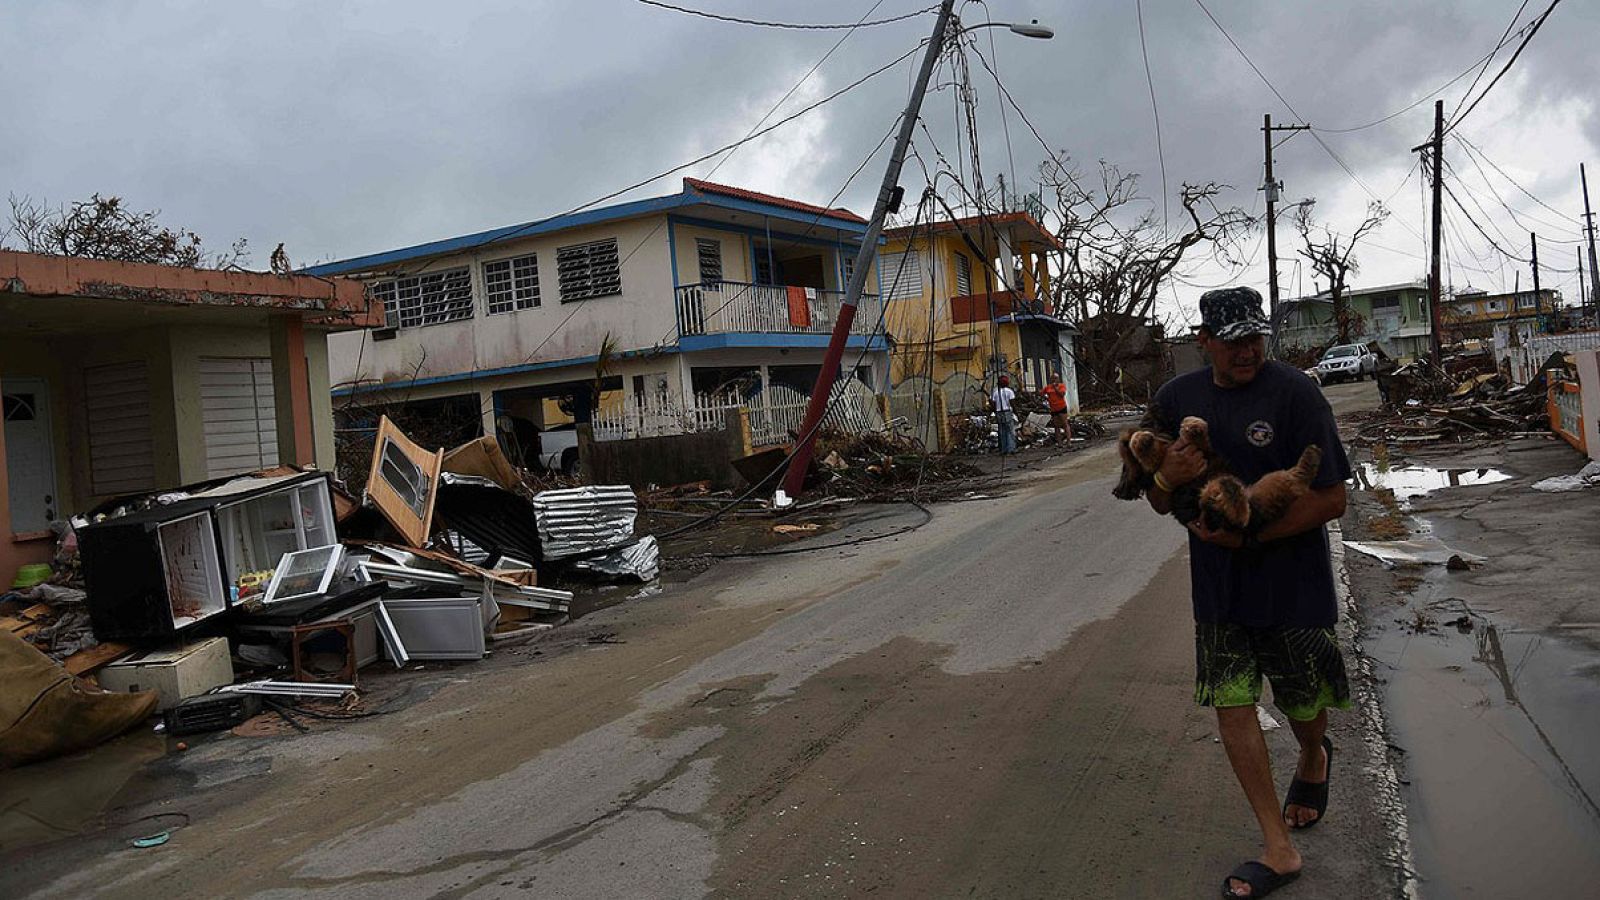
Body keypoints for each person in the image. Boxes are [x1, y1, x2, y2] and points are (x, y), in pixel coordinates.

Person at [1142, 286, 1353, 899]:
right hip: (1218, 590)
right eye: (1233, 341)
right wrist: (1165, 476)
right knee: (1232, 704)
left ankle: (1313, 755)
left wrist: (1250, 541)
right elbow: (1157, 499)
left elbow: (1332, 498)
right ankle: (1277, 848)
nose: (1247, 350)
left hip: (1293, 583)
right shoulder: (1175, 399)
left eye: (1256, 336)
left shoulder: (1296, 393)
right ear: (1203, 341)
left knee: (1302, 704)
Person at [1040, 371, 1070, 442]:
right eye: (1053, 378)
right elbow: (1041, 393)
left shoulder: (1061, 386)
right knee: (1056, 426)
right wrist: (1047, 398)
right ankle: (1059, 442)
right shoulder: (1048, 387)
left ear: (1058, 379)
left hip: (1061, 407)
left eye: (1056, 378)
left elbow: (1062, 394)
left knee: (1065, 424)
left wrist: (1056, 388)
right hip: (1053, 409)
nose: (1054, 380)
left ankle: (1069, 441)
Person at [990, 374, 1017, 454]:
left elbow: (992, 402)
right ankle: (1011, 449)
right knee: (1010, 430)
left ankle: (1004, 449)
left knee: (1002, 431)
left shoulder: (995, 392)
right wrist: (1016, 412)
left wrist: (995, 411)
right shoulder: (1009, 391)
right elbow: (1012, 403)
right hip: (1007, 411)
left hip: (999, 412)